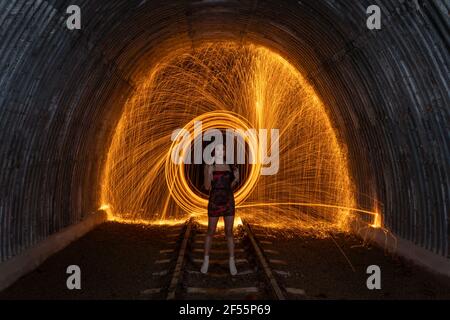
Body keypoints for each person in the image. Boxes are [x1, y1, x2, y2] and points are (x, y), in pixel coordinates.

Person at [200, 144, 239, 275]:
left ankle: (232, 262)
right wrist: (207, 172)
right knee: (210, 231)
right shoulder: (210, 166)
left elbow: (230, 186)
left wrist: (236, 179)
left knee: (229, 232)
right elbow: (206, 187)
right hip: (215, 201)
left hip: (228, 201)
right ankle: (205, 261)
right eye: (217, 149)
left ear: (224, 152)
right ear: (213, 152)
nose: (219, 151)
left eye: (222, 149)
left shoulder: (230, 167)